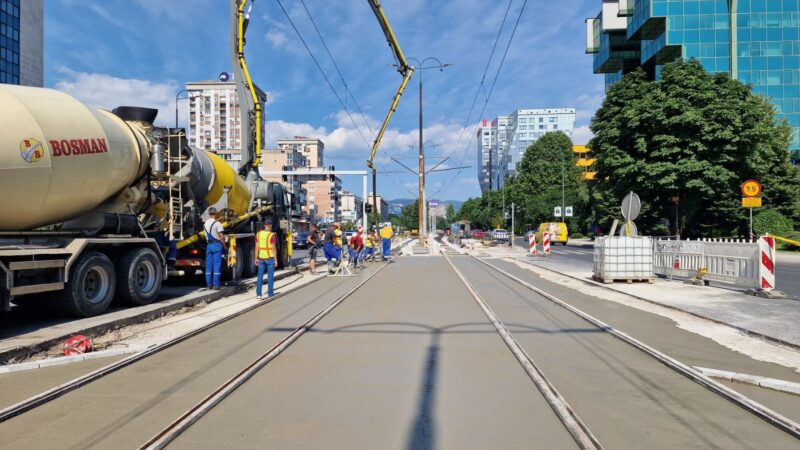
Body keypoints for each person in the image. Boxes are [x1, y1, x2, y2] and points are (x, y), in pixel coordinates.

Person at [204, 207, 226, 290]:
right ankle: (216, 285)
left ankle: (209, 285)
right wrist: (224, 245)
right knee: (217, 265)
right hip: (216, 245)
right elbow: (221, 236)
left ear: (209, 214)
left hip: (209, 246)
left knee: (209, 266)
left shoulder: (205, 223)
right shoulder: (217, 223)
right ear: (215, 213)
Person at [255, 222, 277, 299]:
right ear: (270, 226)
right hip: (270, 258)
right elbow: (273, 248)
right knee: (270, 277)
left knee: (260, 276)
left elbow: (256, 247)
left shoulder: (258, 234)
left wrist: (256, 258)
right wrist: (276, 260)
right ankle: (270, 294)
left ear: (264, 226)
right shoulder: (272, 235)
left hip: (261, 258)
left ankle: (259, 295)